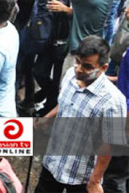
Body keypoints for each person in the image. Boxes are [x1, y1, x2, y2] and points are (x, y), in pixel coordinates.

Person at [36, 36, 126, 193]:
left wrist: (95, 180)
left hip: (81, 175)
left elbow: (110, 143)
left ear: (103, 68)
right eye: (77, 61)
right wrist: (47, 118)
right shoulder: (71, 75)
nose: (79, 69)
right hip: (53, 161)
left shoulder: (113, 101)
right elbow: (65, 103)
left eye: (87, 66)